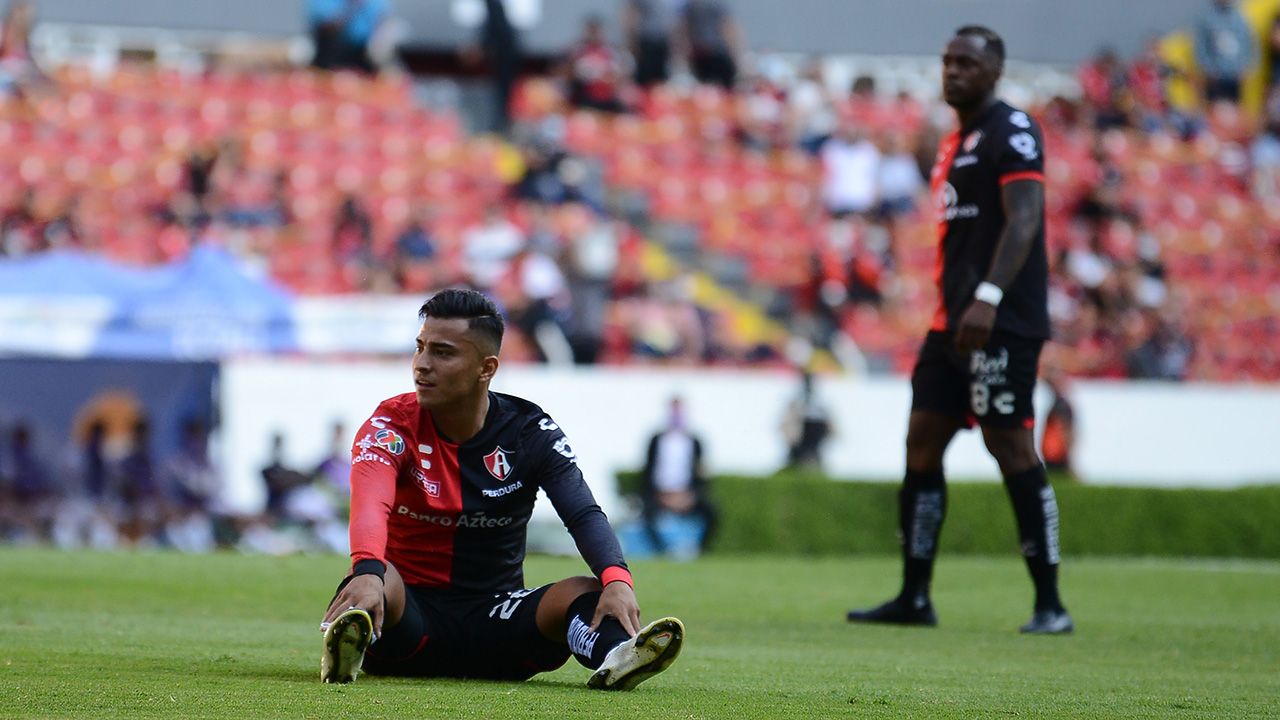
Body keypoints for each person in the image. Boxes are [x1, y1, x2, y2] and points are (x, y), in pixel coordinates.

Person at [319, 288, 684, 688]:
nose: (422, 365)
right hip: (409, 621)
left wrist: (617, 582)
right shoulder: (389, 425)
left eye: (442, 352)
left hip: (499, 623)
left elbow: (581, 513)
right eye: (420, 348)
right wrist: (367, 569)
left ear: (486, 367)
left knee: (585, 589)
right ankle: (353, 641)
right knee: (376, 574)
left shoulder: (529, 431)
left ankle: (617, 656)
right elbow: (371, 506)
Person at [846, 26, 1072, 635]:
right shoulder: (956, 141)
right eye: (948, 61)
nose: (954, 71)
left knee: (1010, 446)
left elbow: (1025, 220)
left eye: (967, 63)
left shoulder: (1013, 130)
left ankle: (1051, 604)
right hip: (951, 325)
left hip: (1001, 321)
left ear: (994, 71)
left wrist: (990, 297)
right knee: (921, 443)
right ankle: (914, 596)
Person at [638, 396, 718, 555]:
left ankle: (700, 549)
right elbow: (648, 472)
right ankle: (663, 551)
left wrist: (690, 496)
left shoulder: (695, 441)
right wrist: (661, 496)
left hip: (687, 495)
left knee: (711, 512)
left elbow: (701, 474)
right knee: (647, 516)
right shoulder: (656, 440)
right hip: (660, 495)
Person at [1193, 0, 1255, 105]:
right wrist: (1208, 70)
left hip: (1236, 77)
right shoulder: (1206, 18)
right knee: (1216, 112)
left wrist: (1246, 68)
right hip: (1215, 78)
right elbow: (1201, 48)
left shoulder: (1240, 18)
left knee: (1235, 113)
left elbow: (1249, 44)